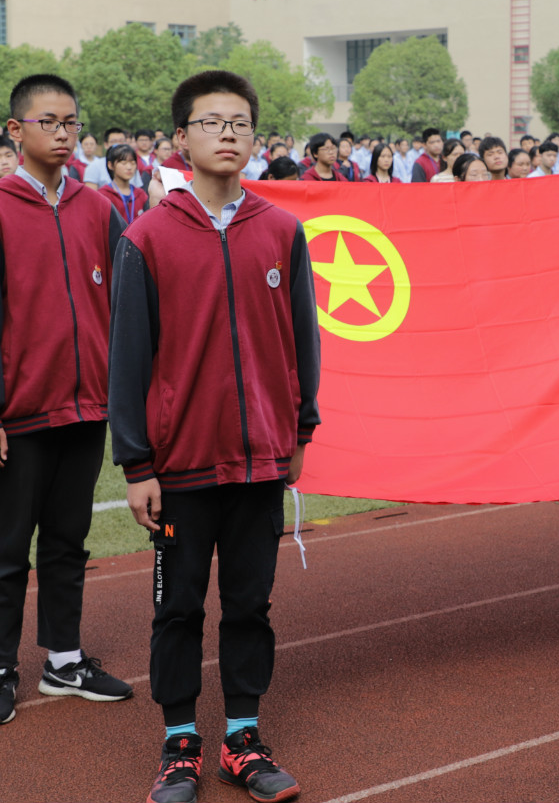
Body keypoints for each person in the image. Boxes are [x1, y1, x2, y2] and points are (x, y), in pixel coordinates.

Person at [110, 69, 318, 803]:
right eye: (211, 122)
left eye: (239, 123)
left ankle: (242, 738)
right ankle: (179, 744)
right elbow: (129, 360)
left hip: (261, 460)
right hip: (182, 466)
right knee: (178, 608)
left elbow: (302, 339)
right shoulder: (147, 237)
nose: (228, 134)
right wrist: (136, 463)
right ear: (181, 138)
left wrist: (300, 428)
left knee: (250, 605)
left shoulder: (281, 231)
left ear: (254, 137)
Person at [0, 73, 134, 728]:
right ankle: (0, 667)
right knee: (6, 548)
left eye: (70, 122)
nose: (62, 133)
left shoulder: (99, 208)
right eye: (48, 122)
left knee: (67, 541)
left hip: (86, 409)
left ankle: (65, 660)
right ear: (16, 130)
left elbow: (125, 302)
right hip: (19, 414)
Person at [101, 144, 150, 221]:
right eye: (124, 163)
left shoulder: (141, 195)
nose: (129, 167)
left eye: (133, 163)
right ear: (110, 165)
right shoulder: (103, 195)